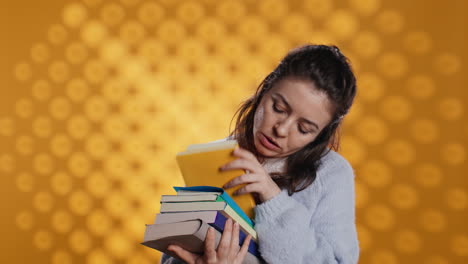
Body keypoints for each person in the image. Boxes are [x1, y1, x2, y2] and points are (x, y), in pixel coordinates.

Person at [161, 44, 359, 264]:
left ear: (320, 135)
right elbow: (175, 252)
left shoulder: (331, 174)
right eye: (279, 109)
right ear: (264, 90)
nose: (281, 130)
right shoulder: (214, 156)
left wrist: (272, 198)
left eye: (304, 129)